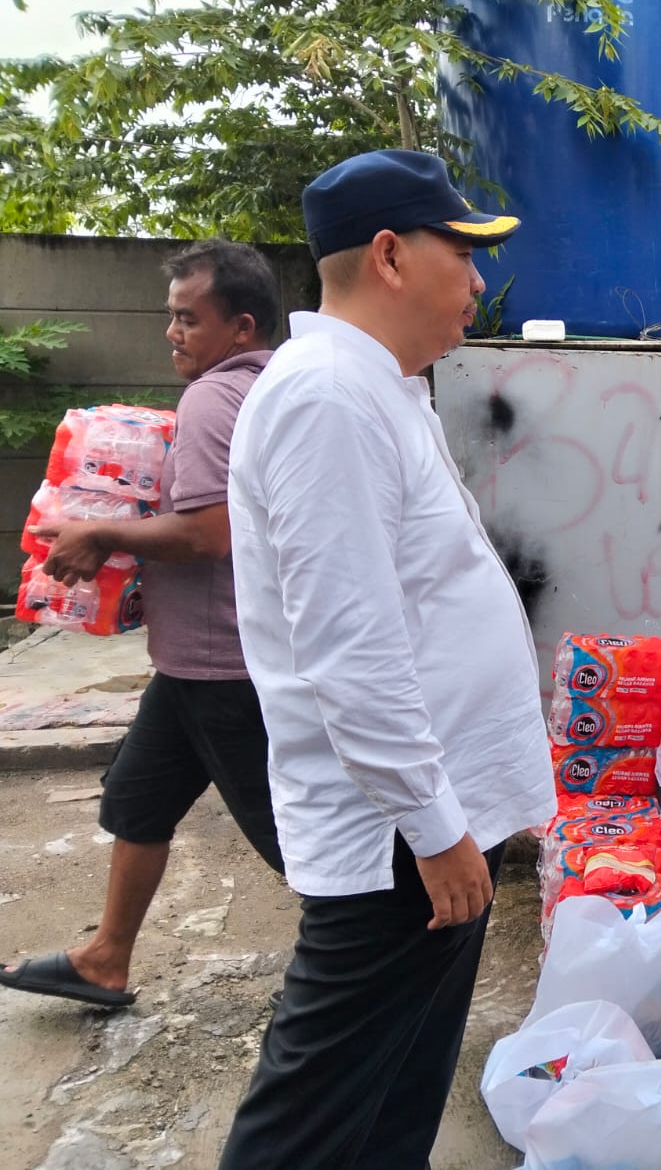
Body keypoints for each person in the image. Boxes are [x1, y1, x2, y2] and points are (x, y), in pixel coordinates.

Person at [217, 150, 555, 1169]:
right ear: (391, 255)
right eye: (465, 252)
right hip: (398, 844)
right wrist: (433, 821)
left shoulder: (382, 388)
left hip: (438, 822)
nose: (480, 282)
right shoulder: (327, 401)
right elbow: (350, 648)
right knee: (311, 1120)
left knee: (397, 1091)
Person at [0, 241, 284, 1009]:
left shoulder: (214, 399)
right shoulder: (275, 388)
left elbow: (205, 534)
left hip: (222, 666)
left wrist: (104, 536)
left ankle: (384, 955)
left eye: (188, 319)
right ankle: (105, 957)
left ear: (241, 325)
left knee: (295, 843)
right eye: (171, 318)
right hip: (197, 658)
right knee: (139, 798)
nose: (172, 334)